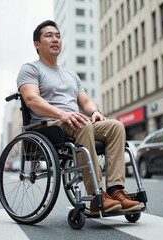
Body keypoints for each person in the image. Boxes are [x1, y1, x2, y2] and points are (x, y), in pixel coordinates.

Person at [17, 20, 142, 215]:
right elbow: (32, 99)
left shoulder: (71, 76)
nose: (55, 39)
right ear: (37, 44)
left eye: (58, 36)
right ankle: (96, 196)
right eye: (49, 36)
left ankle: (115, 191)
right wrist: (62, 113)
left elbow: (85, 101)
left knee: (116, 126)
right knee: (82, 124)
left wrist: (95, 112)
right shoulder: (30, 69)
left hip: (75, 122)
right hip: (48, 125)